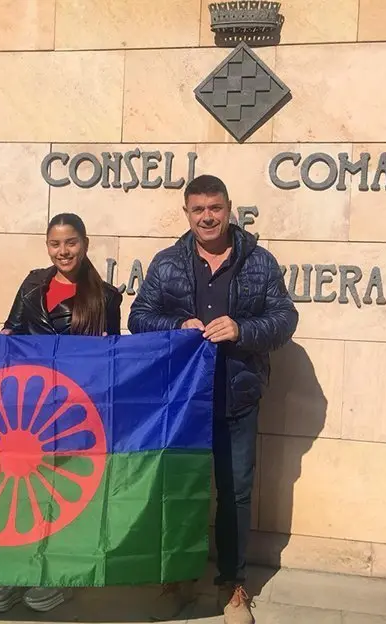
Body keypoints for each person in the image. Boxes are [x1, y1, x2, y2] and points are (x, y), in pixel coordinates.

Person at [127, 175, 298, 624]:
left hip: (236, 398)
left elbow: (284, 319)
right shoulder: (167, 263)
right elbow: (138, 316)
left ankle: (232, 585)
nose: (207, 216)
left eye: (215, 208)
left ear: (229, 209)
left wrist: (243, 330)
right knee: (179, 490)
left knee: (236, 495)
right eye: (198, 209)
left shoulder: (259, 262)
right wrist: (176, 325)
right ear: (187, 213)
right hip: (181, 403)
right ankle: (178, 577)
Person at [0, 212, 121, 613]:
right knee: (20, 492)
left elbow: (107, 359)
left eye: (71, 242)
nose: (64, 251)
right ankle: (16, 571)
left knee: (62, 495)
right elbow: (11, 331)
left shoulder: (107, 296)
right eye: (56, 243)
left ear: (85, 243)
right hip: (27, 410)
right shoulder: (31, 285)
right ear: (48, 246)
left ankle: (56, 574)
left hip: (74, 412)